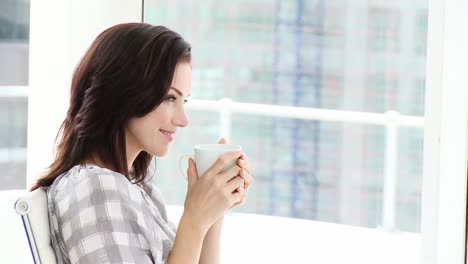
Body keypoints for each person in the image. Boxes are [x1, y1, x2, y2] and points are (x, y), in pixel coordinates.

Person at [31, 23, 254, 264]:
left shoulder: (138, 184)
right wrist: (194, 219)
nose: (182, 120)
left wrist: (213, 208)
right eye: (170, 98)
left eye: (183, 101)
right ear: (126, 93)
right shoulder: (95, 188)